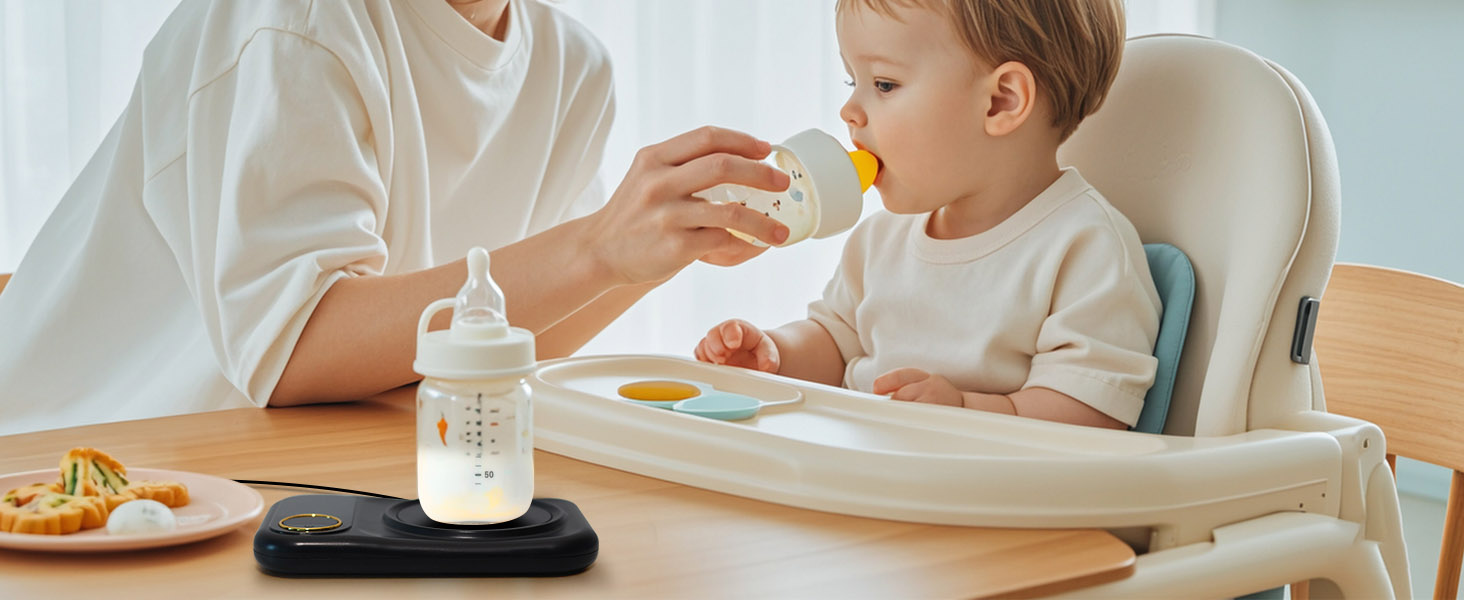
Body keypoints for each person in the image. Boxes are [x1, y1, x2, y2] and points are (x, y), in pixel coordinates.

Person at [0, 0, 793, 436]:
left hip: (322, 472)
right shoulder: (299, 19)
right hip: (98, 471)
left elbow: (508, 342)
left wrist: (659, 248)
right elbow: (297, 352)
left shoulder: (571, 64)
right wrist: (601, 248)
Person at [695, 0, 1160, 429]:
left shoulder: (1084, 247)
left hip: (982, 507)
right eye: (850, 81)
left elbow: (1093, 419)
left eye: (883, 84)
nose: (850, 110)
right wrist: (776, 355)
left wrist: (965, 411)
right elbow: (835, 344)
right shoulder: (880, 240)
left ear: (1001, 101)